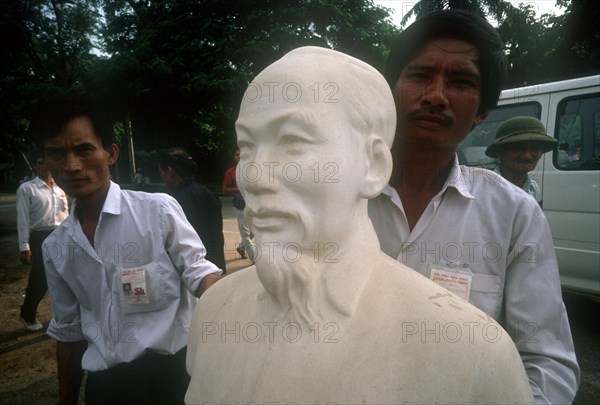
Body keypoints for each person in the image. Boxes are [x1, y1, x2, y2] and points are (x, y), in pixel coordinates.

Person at [185, 46, 534, 404]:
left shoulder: (471, 354)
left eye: (292, 141)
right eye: (247, 147)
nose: (255, 177)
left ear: (373, 167)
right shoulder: (214, 313)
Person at [368, 9, 579, 404]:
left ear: (482, 112)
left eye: (461, 81)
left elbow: (547, 364)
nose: (435, 95)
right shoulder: (338, 196)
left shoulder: (515, 215)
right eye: (420, 76)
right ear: (390, 89)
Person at [37, 96, 222, 405]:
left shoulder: (157, 212)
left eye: (84, 149)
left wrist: (244, 297)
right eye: (56, 153)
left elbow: (198, 271)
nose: (71, 165)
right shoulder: (56, 247)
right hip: (108, 387)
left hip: (175, 378)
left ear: (110, 153)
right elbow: (69, 332)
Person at [16, 154, 69, 331]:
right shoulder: (27, 189)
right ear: (35, 165)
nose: (45, 166)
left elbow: (65, 215)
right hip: (40, 237)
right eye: (41, 162)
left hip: (61, 235)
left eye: (48, 162)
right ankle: (27, 314)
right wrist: (24, 246)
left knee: (65, 276)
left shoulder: (59, 189)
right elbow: (22, 219)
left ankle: (64, 314)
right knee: (41, 278)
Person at [158, 147, 226, 270]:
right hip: (213, 267)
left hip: (189, 270)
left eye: (161, 172)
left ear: (169, 170)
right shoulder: (208, 194)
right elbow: (216, 235)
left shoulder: (169, 201)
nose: (161, 176)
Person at [485, 116, 557, 202]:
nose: (527, 156)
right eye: (518, 148)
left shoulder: (532, 188)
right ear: (499, 153)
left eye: (534, 148)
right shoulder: (483, 188)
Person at [222, 147, 256, 262]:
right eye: (237, 154)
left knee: (255, 230)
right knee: (245, 233)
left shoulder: (252, 170)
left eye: (242, 154)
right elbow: (225, 189)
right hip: (239, 204)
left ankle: (241, 248)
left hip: (252, 204)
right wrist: (239, 189)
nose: (240, 156)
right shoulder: (230, 172)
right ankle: (255, 259)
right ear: (234, 157)